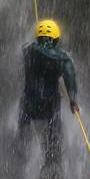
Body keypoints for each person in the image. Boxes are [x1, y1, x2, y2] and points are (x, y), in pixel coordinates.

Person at [18, 19, 79, 165]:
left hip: (30, 105)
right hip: (50, 106)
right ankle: (52, 157)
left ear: (38, 37)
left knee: (23, 114)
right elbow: (70, 77)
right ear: (56, 39)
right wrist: (73, 101)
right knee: (55, 127)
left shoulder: (28, 50)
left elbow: (27, 47)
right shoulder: (64, 59)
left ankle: (22, 149)